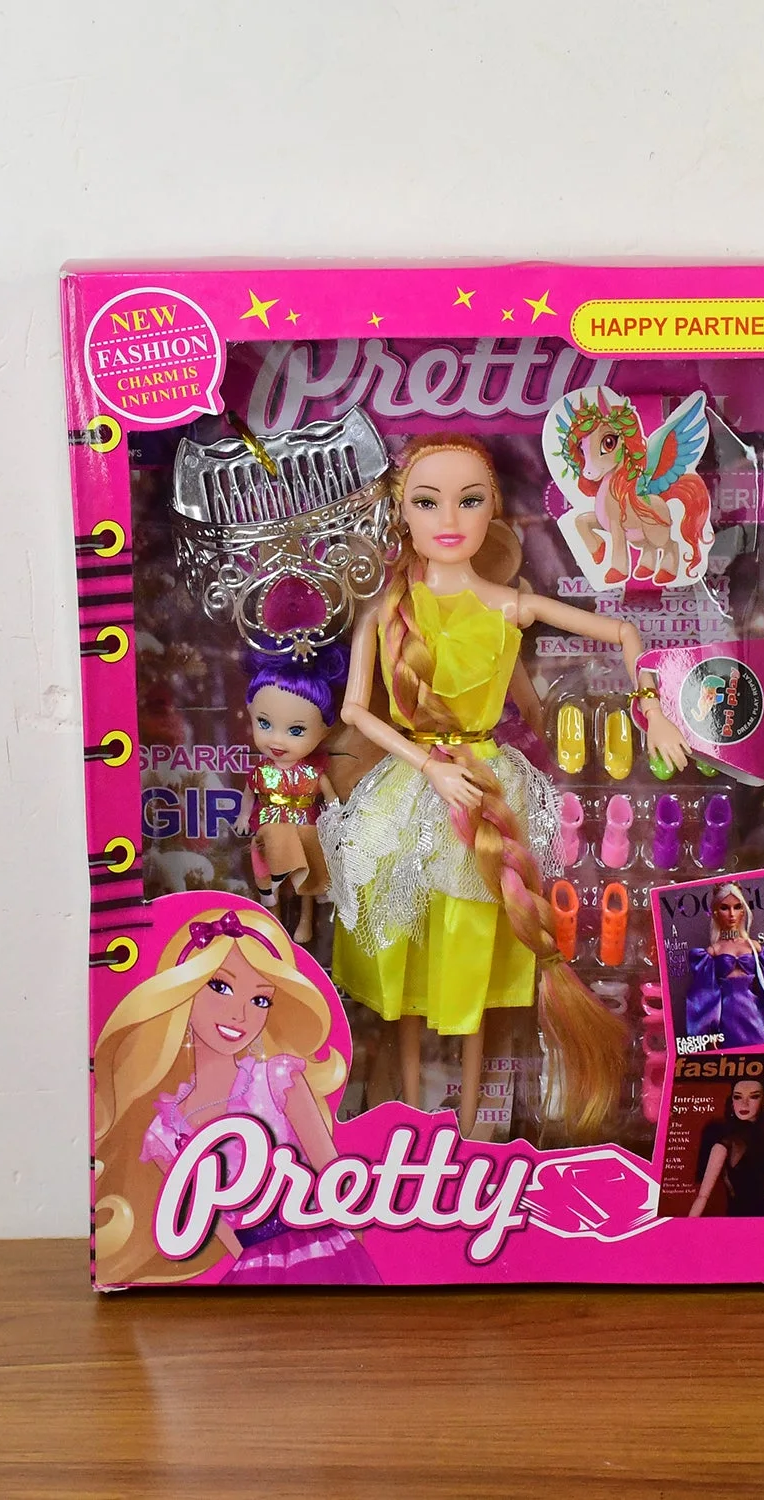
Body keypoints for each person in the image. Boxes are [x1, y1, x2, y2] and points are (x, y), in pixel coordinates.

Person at [319, 433, 690, 1140]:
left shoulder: (508, 607)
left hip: (486, 782)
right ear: (401, 512)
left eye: (469, 500)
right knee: (403, 946)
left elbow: (622, 634)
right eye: (427, 502)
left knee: (471, 944)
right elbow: (356, 711)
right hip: (410, 788)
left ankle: (465, 1135)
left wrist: (653, 709)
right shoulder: (383, 610)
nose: (448, 518)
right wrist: (428, 765)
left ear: (494, 510)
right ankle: (405, 1121)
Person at [92, 903, 379, 1285]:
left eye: (260, 1000)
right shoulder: (165, 1133)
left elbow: (338, 1183)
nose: (240, 1015)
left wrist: (360, 1263)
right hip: (254, 1272)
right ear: (185, 989)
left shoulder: (277, 1081)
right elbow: (219, 1230)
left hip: (327, 1254)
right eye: (220, 987)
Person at [240, 645, 346, 943]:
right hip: (269, 825)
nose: (277, 740)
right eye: (264, 724)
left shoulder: (313, 773)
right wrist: (243, 816)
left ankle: (306, 919)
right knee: (269, 876)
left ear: (325, 731)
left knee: (306, 879)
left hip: (304, 829)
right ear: (250, 713)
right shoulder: (262, 771)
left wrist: (337, 817)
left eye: (296, 731)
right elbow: (250, 793)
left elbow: (330, 797)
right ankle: (272, 920)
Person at [685, 883, 764, 1046]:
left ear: (743, 911)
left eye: (737, 907)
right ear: (716, 913)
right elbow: (704, 993)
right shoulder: (713, 952)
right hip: (727, 1013)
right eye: (725, 908)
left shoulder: (754, 947)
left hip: (753, 1011)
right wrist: (710, 1029)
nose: (731, 914)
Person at [688, 1079, 764, 1218]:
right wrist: (687, 1226)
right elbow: (703, 1196)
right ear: (732, 1101)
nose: (744, 1104)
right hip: (740, 1217)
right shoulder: (727, 1143)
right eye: (738, 1097)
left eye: (754, 1096)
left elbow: (762, 1182)